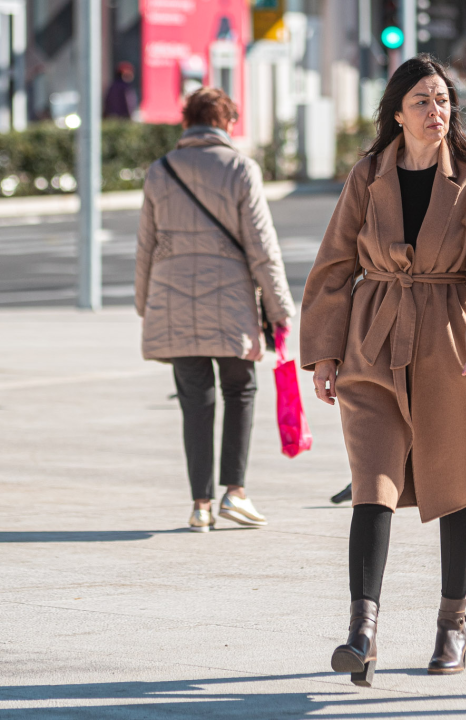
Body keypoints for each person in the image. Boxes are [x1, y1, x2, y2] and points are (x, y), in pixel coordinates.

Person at [300, 54, 466, 686]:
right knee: (372, 485)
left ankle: (453, 627)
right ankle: (360, 631)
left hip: (449, 343)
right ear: (396, 112)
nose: (436, 112)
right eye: (422, 100)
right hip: (373, 342)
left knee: (456, 480)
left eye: (444, 101)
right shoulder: (368, 174)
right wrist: (323, 352)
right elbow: (334, 263)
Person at [135, 87, 295, 532]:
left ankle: (200, 505)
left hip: (170, 300)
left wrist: (144, 301)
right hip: (231, 300)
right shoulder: (241, 168)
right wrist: (280, 306)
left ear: (187, 123)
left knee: (194, 400)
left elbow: (145, 244)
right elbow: (262, 246)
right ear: (227, 123)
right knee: (240, 390)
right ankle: (235, 493)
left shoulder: (160, 170)